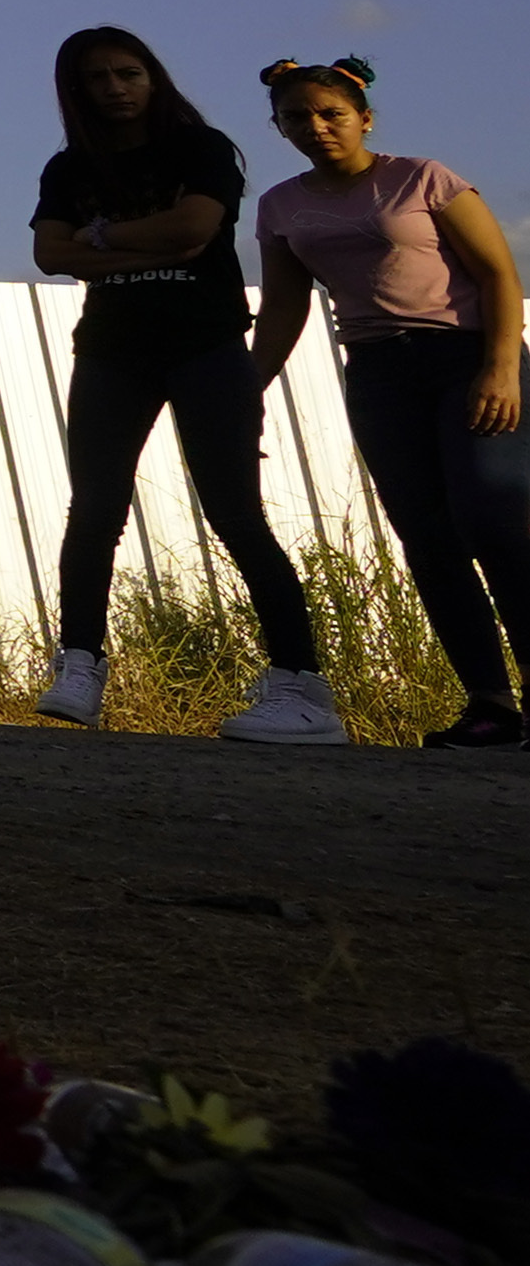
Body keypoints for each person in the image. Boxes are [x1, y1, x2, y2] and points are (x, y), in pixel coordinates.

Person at [28, 29, 338, 740]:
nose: (114, 86)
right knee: (94, 509)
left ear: (152, 75)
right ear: (76, 91)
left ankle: (301, 684)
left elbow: (195, 229)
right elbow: (48, 252)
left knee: (234, 512)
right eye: (97, 77)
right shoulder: (68, 165)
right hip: (110, 351)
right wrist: (138, 238)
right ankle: (79, 664)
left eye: (127, 71)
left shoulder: (201, 148)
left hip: (205, 346)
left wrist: (97, 239)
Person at [256, 55, 530, 750]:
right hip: (378, 370)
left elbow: (498, 272)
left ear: (363, 117)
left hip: (465, 356)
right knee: (427, 539)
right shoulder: (281, 205)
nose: (315, 127)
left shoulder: (421, 177)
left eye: (330, 114)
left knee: (493, 520)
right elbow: (284, 307)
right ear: (278, 126)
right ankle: (490, 705)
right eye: (296, 117)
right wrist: (243, 388)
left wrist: (501, 368)